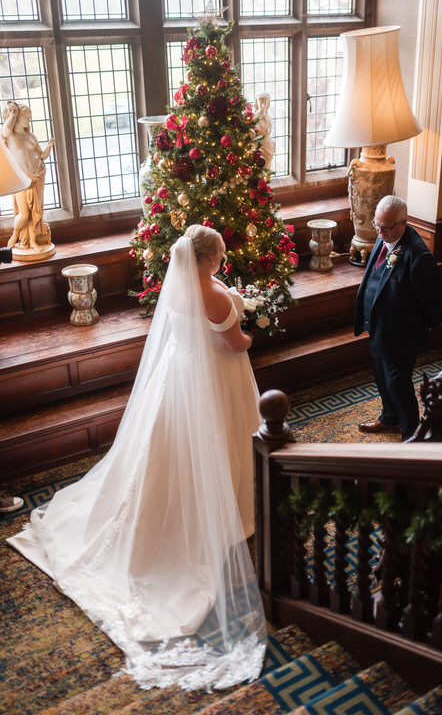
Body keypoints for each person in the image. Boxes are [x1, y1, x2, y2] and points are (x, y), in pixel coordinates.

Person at [7, 225, 266, 691]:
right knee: (223, 440)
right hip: (215, 380)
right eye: (220, 257)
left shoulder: (182, 290)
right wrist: (252, 331)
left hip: (179, 378)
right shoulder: (217, 298)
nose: (222, 262)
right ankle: (228, 508)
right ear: (206, 260)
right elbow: (234, 343)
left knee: (164, 450)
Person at [354, 195, 442, 441]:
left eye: (385, 227)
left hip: (401, 334)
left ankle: (412, 436)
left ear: (402, 223)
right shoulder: (385, 234)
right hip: (379, 327)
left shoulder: (419, 257)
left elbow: (434, 302)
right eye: (377, 225)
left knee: (398, 384)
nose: (379, 231)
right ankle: (390, 418)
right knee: (381, 376)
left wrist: (419, 329)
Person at [1, 100, 55, 254]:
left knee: (36, 212)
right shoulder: (10, 135)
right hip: (22, 180)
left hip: (39, 174)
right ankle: (15, 235)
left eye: (30, 115)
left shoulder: (31, 136)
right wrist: (13, 113)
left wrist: (50, 146)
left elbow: (42, 155)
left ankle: (33, 242)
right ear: (18, 117)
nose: (29, 118)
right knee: (24, 214)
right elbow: (4, 130)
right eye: (27, 116)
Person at [254, 92, 275, 171]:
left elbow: (268, 133)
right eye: (260, 102)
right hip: (259, 146)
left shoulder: (269, 118)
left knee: (268, 167)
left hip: (268, 146)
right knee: (260, 169)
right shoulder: (254, 118)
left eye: (265, 102)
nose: (263, 105)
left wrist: (272, 143)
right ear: (257, 102)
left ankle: (266, 182)